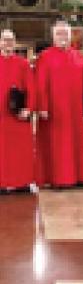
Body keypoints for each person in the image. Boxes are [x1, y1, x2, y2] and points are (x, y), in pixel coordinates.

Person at [36, 21, 83, 188]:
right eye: (59, 34)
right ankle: (58, 179)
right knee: (58, 144)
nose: (62, 37)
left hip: (75, 109)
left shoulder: (79, 56)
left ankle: (78, 176)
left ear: (70, 35)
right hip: (55, 109)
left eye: (65, 33)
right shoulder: (45, 56)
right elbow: (40, 84)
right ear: (53, 37)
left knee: (76, 142)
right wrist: (42, 107)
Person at [0, 30, 35, 192]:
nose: (8, 43)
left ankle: (22, 182)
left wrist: (28, 108)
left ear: (15, 43)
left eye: (11, 40)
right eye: (5, 40)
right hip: (1, 116)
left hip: (18, 114)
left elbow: (32, 89)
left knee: (21, 151)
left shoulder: (23, 63)